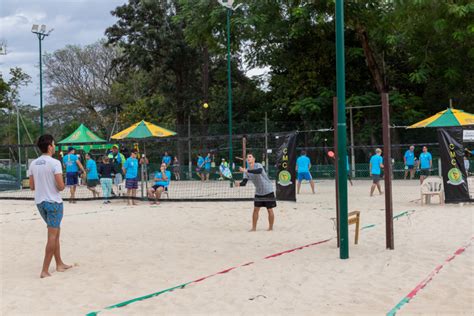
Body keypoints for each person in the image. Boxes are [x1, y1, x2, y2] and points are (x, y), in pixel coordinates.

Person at [28, 134, 72, 278]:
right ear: (49, 146)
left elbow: (32, 186)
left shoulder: (33, 163)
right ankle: (44, 270)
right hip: (53, 203)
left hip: (40, 203)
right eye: (53, 144)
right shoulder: (55, 163)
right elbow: (60, 187)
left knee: (56, 233)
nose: (54, 146)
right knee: (52, 236)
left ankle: (59, 264)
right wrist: (61, 184)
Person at [236, 153, 276, 232]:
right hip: (258, 192)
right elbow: (244, 183)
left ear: (254, 159)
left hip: (268, 189)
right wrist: (239, 184)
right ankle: (254, 228)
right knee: (255, 210)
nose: (248, 158)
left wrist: (246, 170)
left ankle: (270, 227)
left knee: (269, 210)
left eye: (250, 157)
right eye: (247, 157)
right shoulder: (246, 171)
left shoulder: (258, 165)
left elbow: (259, 171)